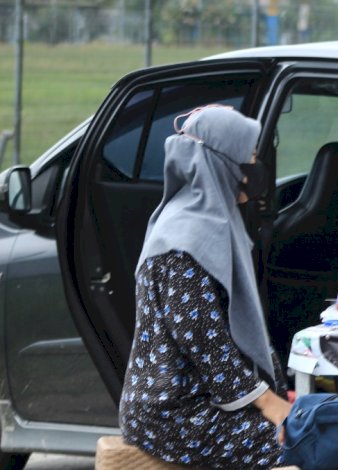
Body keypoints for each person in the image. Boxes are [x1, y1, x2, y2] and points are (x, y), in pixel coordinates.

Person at [120, 105, 290, 469]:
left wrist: (275, 388)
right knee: (297, 445)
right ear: (223, 162)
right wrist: (266, 400)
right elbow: (201, 337)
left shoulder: (214, 223)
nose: (257, 166)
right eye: (251, 157)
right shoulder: (183, 237)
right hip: (171, 411)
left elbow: (244, 328)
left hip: (206, 401)